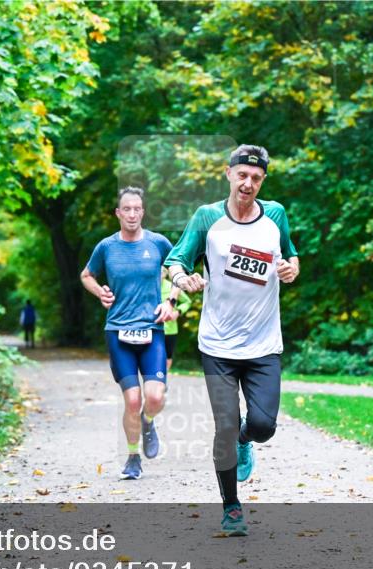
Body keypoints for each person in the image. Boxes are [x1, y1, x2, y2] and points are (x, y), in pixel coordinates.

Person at [164, 145, 299, 536]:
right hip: (218, 345)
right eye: (242, 175)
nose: (248, 183)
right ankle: (232, 506)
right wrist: (181, 279)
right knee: (223, 426)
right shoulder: (207, 217)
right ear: (228, 174)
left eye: (256, 178)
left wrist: (291, 269)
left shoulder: (275, 215)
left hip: (263, 345)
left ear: (263, 181)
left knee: (263, 425)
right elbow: (176, 260)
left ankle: (246, 438)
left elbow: (290, 256)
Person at [81, 186, 180, 480]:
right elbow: (86, 275)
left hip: (152, 330)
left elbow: (179, 268)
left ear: (143, 212)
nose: (133, 214)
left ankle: (148, 422)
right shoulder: (106, 247)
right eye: (127, 209)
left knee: (155, 397)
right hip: (118, 331)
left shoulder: (158, 243)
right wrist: (100, 292)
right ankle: (133, 457)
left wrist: (170, 300)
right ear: (118, 213)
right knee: (133, 400)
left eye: (138, 209)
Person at [160, 267, 192, 372]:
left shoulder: (172, 287)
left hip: (170, 328)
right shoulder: (147, 286)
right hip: (151, 327)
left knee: (168, 355)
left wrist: (177, 312)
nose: (159, 275)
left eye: (161, 273)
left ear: (165, 274)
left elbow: (187, 301)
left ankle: (164, 377)